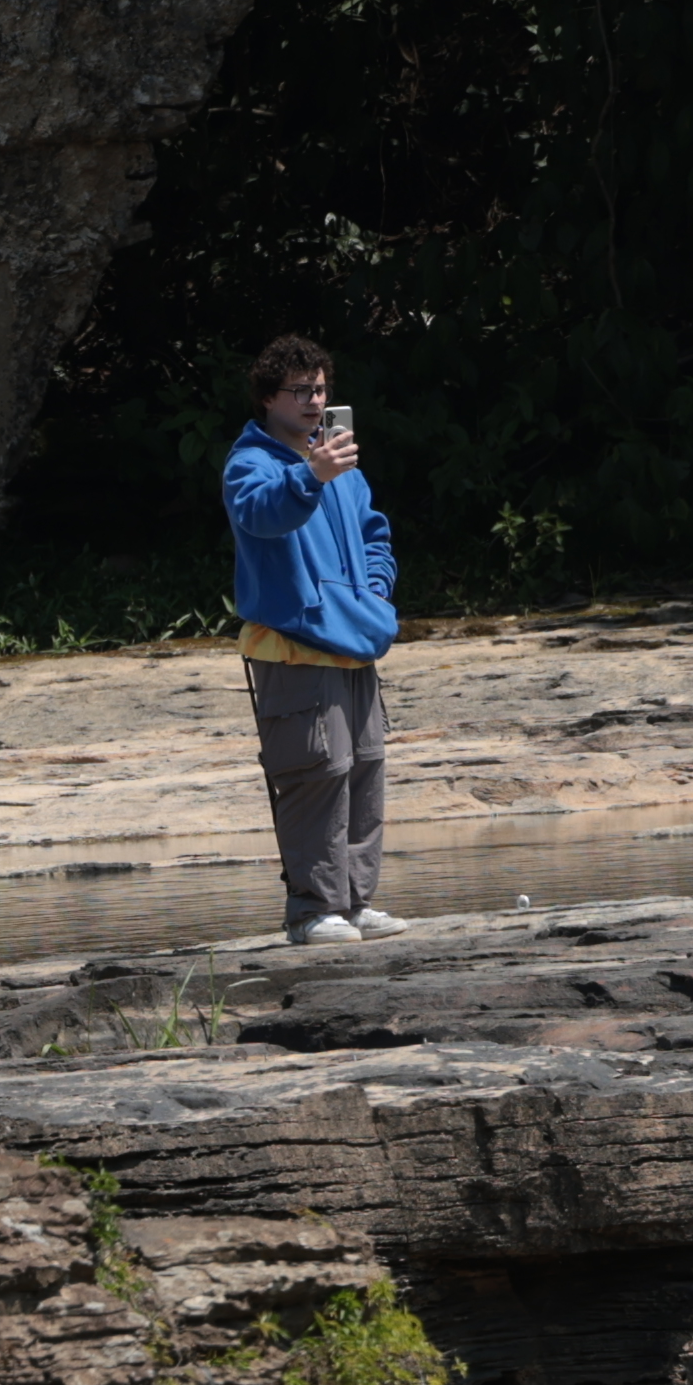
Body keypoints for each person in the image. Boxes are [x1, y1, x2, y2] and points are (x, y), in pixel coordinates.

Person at [220, 330, 397, 939]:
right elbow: (262, 513)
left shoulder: (339, 462)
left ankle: (355, 902)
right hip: (294, 649)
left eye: (320, 389)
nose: (314, 402)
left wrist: (376, 591)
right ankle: (312, 911)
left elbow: (375, 535)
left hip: (356, 641)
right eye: (300, 391)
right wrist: (311, 476)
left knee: (364, 770)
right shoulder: (250, 462)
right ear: (268, 398)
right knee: (314, 774)